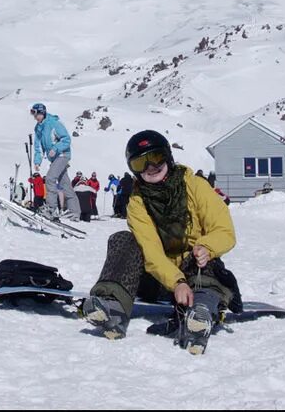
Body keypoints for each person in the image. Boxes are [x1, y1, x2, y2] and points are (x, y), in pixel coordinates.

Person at [81, 130, 238, 355]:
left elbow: (224, 229)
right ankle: (113, 307)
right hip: (157, 280)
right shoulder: (137, 202)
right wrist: (176, 283)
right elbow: (151, 251)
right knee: (123, 240)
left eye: (154, 158)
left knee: (202, 258)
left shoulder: (195, 186)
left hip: (195, 276)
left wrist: (207, 247)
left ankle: (201, 312)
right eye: (140, 163)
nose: (149, 168)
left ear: (167, 157)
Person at [30, 103, 81, 220]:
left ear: (42, 113)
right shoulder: (38, 128)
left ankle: (51, 209)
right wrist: (37, 161)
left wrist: (55, 148)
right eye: (34, 114)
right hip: (54, 158)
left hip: (62, 155)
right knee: (65, 184)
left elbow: (66, 139)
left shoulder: (54, 123)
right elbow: (38, 147)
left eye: (37, 114)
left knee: (50, 178)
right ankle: (75, 212)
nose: (35, 117)